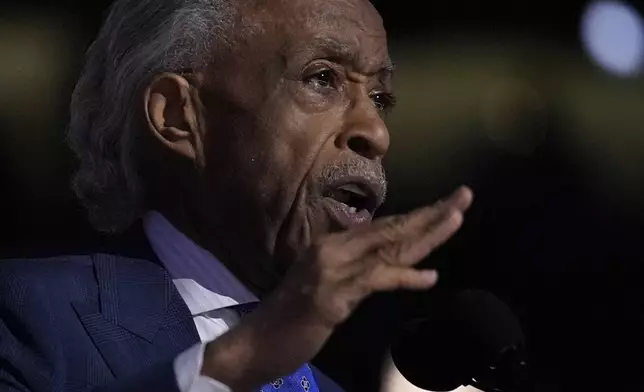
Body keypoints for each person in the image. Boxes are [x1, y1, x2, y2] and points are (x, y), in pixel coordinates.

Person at [0, 0, 474, 391]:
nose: (376, 132)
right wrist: (246, 357)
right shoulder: (29, 316)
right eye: (322, 78)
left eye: (379, 98)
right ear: (179, 115)